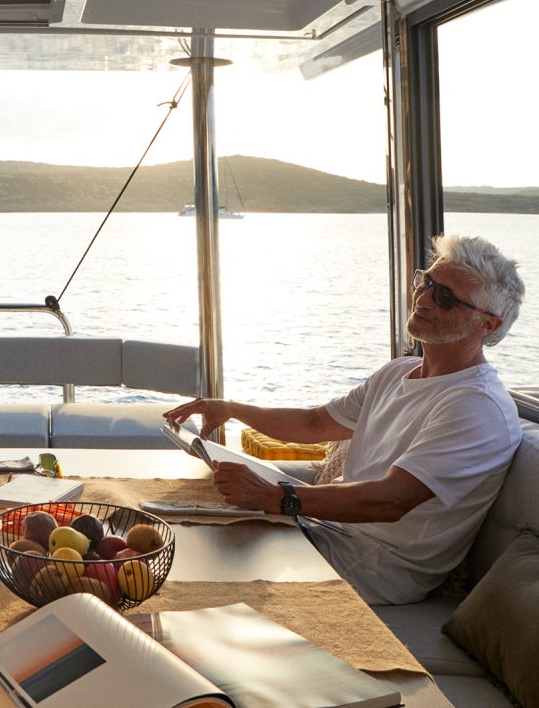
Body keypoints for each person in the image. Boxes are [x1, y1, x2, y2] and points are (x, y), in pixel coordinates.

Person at [164, 234, 525, 605]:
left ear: (488, 326)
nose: (424, 299)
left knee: (196, 563)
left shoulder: (476, 406)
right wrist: (231, 409)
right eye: (427, 282)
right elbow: (313, 424)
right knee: (183, 527)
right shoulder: (399, 371)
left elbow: (390, 501)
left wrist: (276, 497)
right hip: (330, 530)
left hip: (377, 564)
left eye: (445, 297)